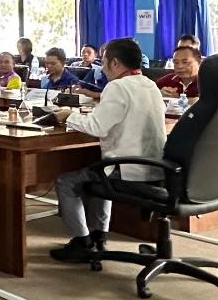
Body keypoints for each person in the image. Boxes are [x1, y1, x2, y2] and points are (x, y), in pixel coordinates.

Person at [47, 39, 167, 261]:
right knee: (99, 171)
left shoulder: (118, 86)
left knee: (67, 181)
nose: (102, 68)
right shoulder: (150, 85)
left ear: (115, 63)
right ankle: (98, 236)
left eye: (103, 62)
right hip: (155, 167)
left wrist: (68, 116)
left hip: (126, 169)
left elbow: (97, 127)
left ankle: (81, 242)